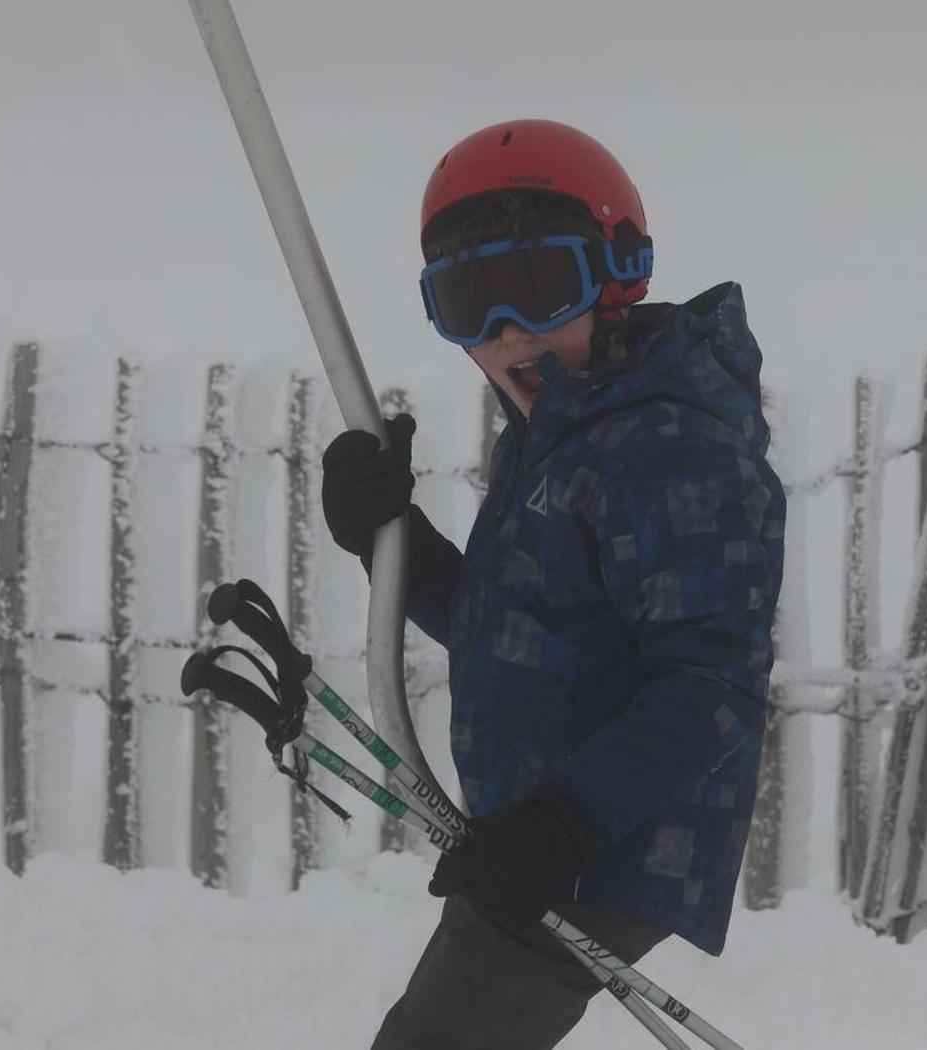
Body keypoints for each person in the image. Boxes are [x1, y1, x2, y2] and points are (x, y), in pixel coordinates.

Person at [320, 118, 786, 1050]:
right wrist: (390, 542)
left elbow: (715, 687)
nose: (504, 333)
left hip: (609, 842)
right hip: (543, 838)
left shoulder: (674, 448)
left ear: (617, 274)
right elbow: (513, 629)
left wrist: (564, 825)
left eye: (535, 286)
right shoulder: (558, 437)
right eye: (465, 300)